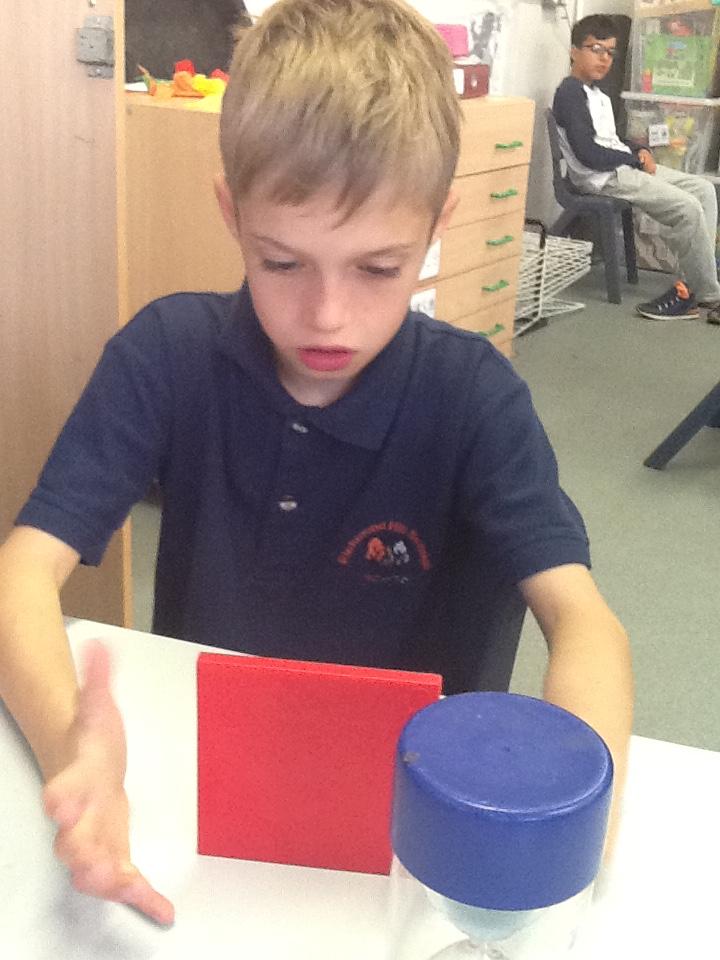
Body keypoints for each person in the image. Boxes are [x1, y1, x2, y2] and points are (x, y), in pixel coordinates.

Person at [0, 0, 633, 928]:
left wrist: (562, 836)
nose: (328, 316)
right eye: (283, 263)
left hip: (417, 853)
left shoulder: (475, 397)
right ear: (232, 213)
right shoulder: (166, 354)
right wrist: (73, 750)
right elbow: (21, 574)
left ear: (437, 223)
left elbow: (584, 624)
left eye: (378, 269)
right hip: (212, 815)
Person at [553, 14, 720, 324]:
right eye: (595, 49)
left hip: (620, 167)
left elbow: (611, 140)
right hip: (603, 177)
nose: (604, 58)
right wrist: (633, 160)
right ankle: (707, 295)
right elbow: (588, 154)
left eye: (610, 52)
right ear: (574, 51)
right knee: (687, 208)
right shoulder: (570, 93)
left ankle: (690, 287)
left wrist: (638, 150)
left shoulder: (597, 94)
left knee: (704, 190)